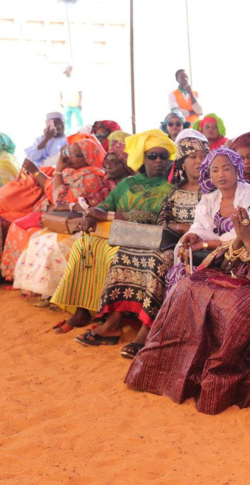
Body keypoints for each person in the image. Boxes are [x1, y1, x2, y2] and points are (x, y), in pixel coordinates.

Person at [125, 169, 250, 414]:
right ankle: (165, 372)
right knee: (187, 287)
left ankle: (213, 386)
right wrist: (241, 239)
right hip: (237, 279)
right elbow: (229, 254)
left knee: (231, 309)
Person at [76, 133, 214, 353]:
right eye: (192, 157)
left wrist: (189, 230)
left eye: (203, 156)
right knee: (125, 254)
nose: (198, 161)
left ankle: (146, 329)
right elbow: (163, 219)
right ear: (182, 162)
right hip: (169, 239)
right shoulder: (175, 189)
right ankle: (113, 322)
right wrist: (179, 227)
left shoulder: (213, 190)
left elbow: (215, 224)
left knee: (157, 260)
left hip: (195, 246)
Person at [51, 130, 175, 335]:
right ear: (142, 158)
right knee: (83, 246)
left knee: (111, 255)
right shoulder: (128, 183)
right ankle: (82, 309)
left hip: (140, 240)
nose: (158, 161)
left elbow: (149, 216)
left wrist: (108, 216)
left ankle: (110, 317)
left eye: (164, 156)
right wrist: (91, 215)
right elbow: (104, 205)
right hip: (117, 234)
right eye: (152, 156)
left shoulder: (169, 188)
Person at [13, 138, 119, 303]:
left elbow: (58, 198)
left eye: (75, 155)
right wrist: (60, 171)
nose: (69, 158)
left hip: (84, 223)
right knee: (38, 239)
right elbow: (58, 196)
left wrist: (58, 169)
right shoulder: (74, 172)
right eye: (69, 152)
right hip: (70, 220)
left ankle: (55, 295)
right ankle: (41, 291)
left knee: (53, 245)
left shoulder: (91, 177)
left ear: (88, 158)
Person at [60, 65, 82, 132]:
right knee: (67, 121)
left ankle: (82, 133)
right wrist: (61, 101)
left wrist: (79, 102)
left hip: (75, 104)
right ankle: (68, 134)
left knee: (79, 120)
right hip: (67, 103)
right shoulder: (63, 80)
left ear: (70, 70)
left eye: (67, 71)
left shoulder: (75, 79)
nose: (66, 72)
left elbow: (80, 92)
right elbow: (61, 92)